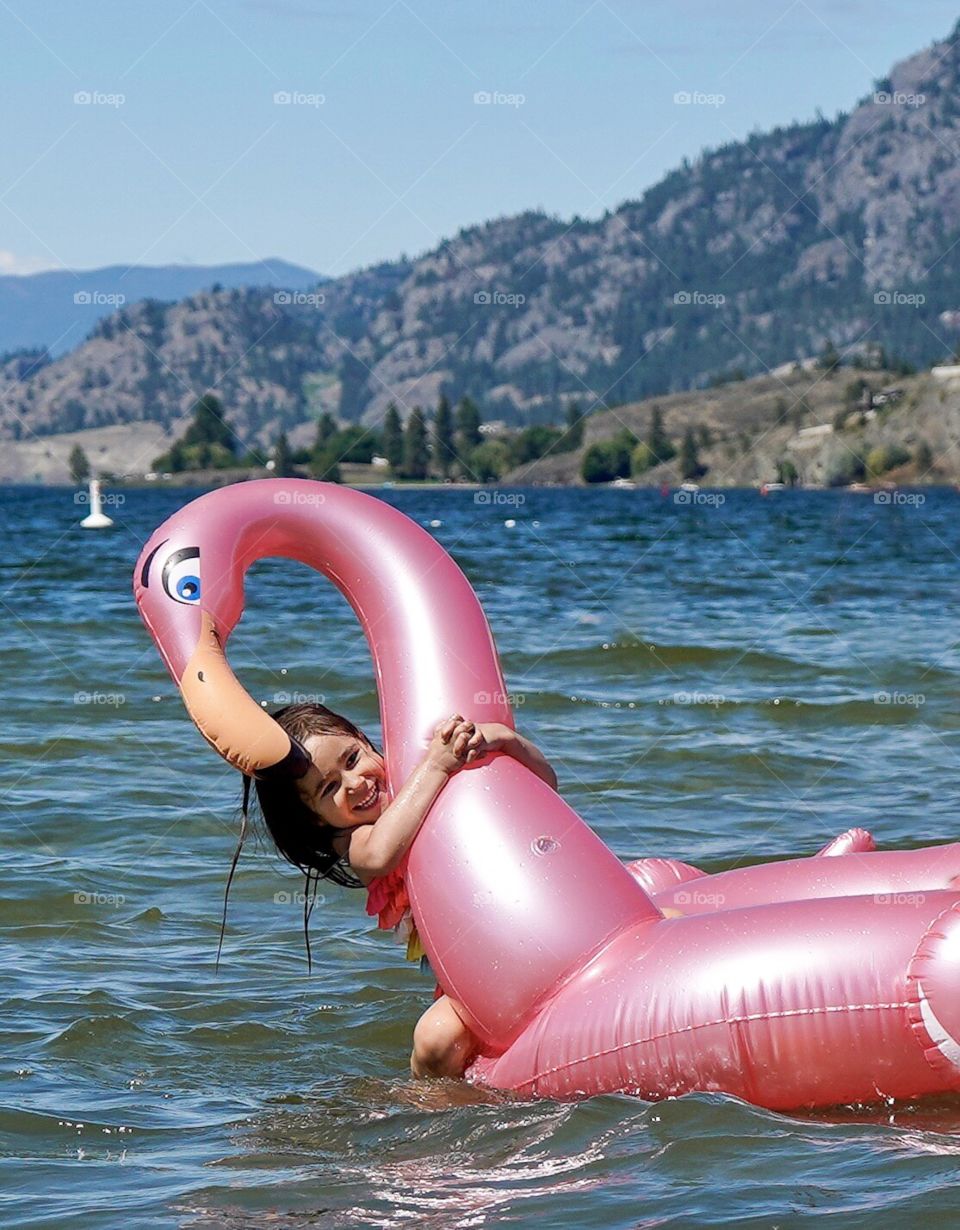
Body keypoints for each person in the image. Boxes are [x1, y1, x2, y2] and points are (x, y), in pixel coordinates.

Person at [235, 701, 557, 1080]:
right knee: (435, 1039)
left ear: (363, 739)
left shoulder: (413, 774)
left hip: (530, 927)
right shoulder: (356, 839)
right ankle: (425, 1104)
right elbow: (379, 855)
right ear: (317, 819)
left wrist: (504, 740)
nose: (355, 785)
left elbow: (545, 785)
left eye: (352, 759)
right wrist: (437, 765)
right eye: (330, 788)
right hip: (472, 973)